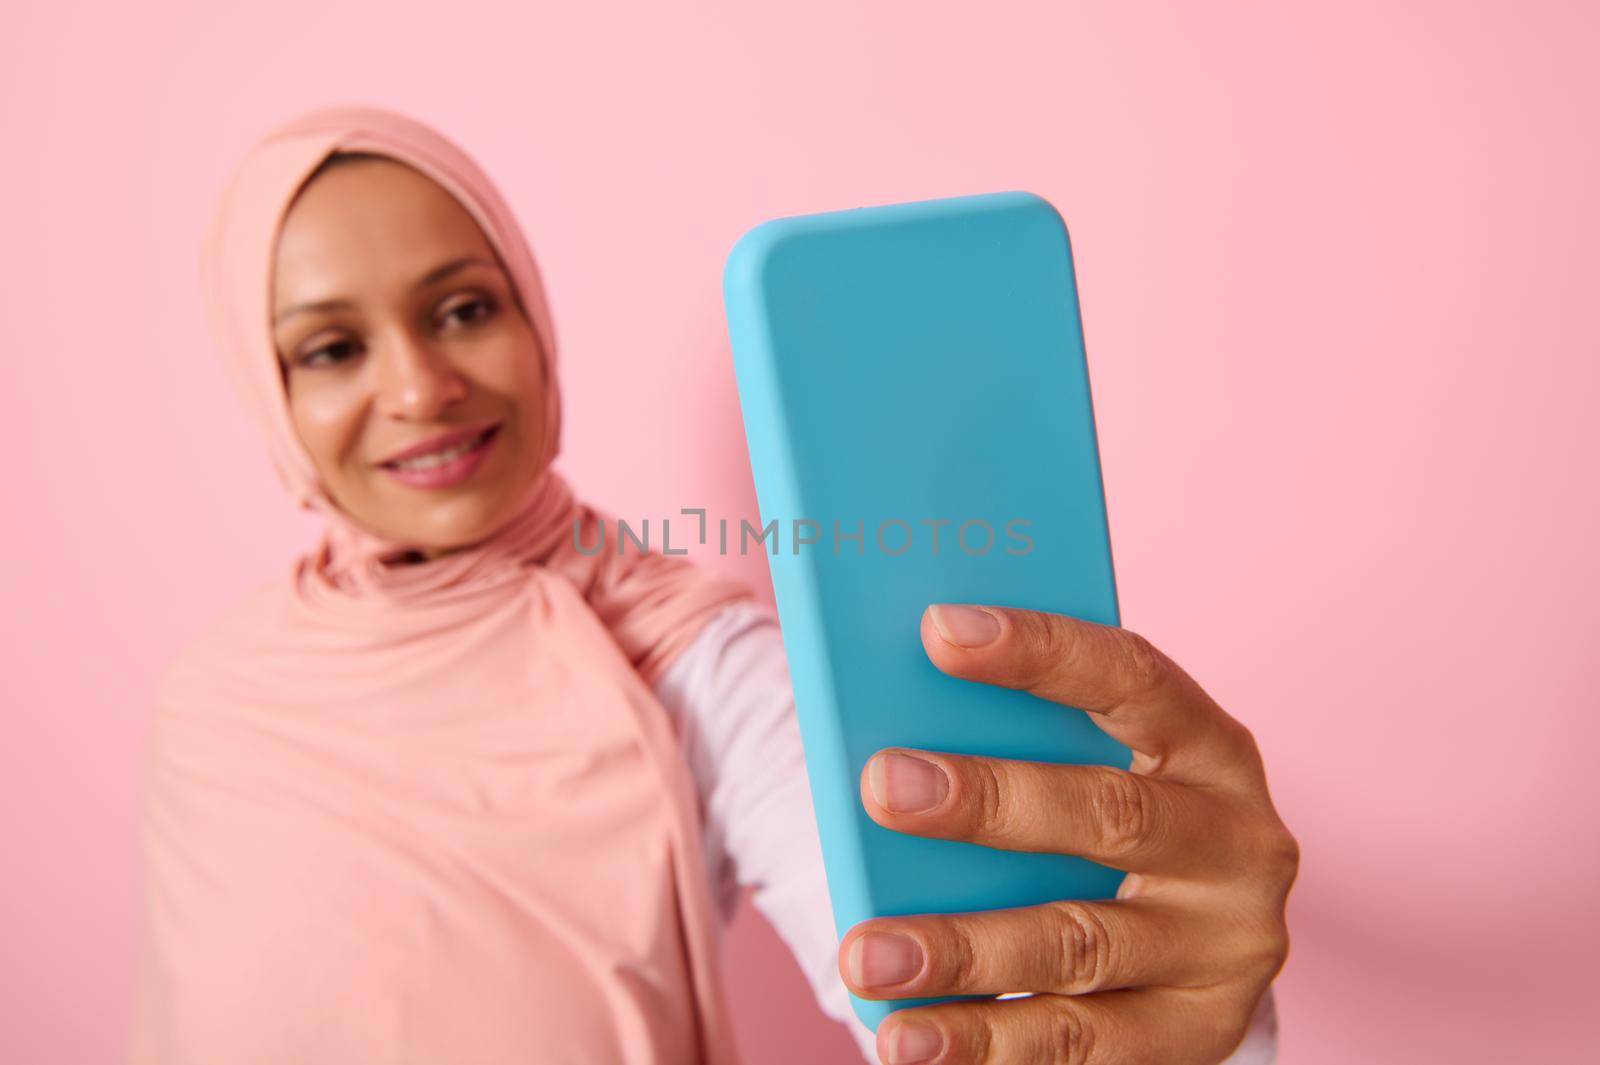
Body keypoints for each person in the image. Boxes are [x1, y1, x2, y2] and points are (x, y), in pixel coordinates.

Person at [129, 104, 1295, 1065]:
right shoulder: (215, 700)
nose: (423, 386)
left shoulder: (695, 663)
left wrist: (1173, 1006)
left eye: (464, 309)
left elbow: (971, 1004)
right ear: (268, 391)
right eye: (333, 347)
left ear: (537, 328)